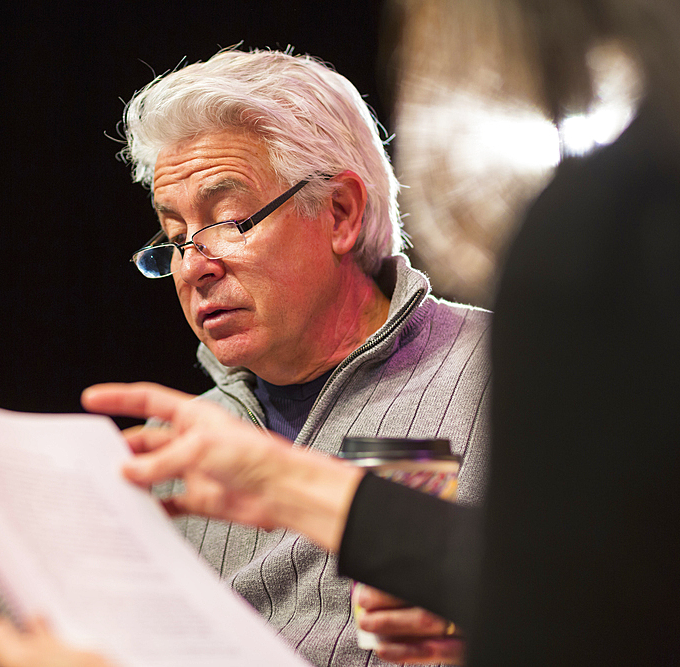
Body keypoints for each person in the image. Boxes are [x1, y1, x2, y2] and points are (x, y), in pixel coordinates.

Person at [115, 47, 491, 667]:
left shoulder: (508, 374)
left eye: (229, 220)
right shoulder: (174, 445)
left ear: (340, 213)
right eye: (175, 237)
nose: (194, 266)